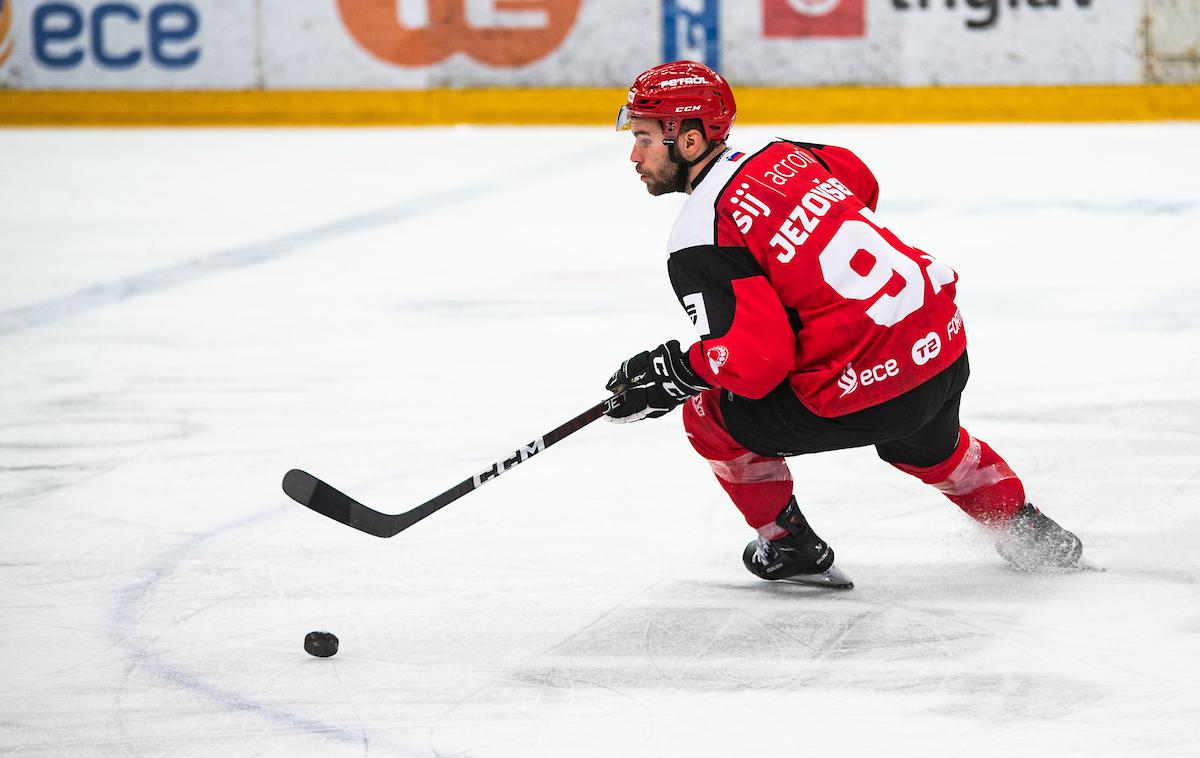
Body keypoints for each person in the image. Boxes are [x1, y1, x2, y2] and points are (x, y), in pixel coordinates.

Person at [605, 60, 1085, 582]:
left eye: (646, 137)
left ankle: (789, 547)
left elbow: (757, 362)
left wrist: (681, 371)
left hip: (871, 390)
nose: (635, 154)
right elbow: (858, 176)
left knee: (707, 413)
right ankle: (1025, 530)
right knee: (927, 444)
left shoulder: (701, 232)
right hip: (940, 348)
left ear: (691, 141)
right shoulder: (785, 155)